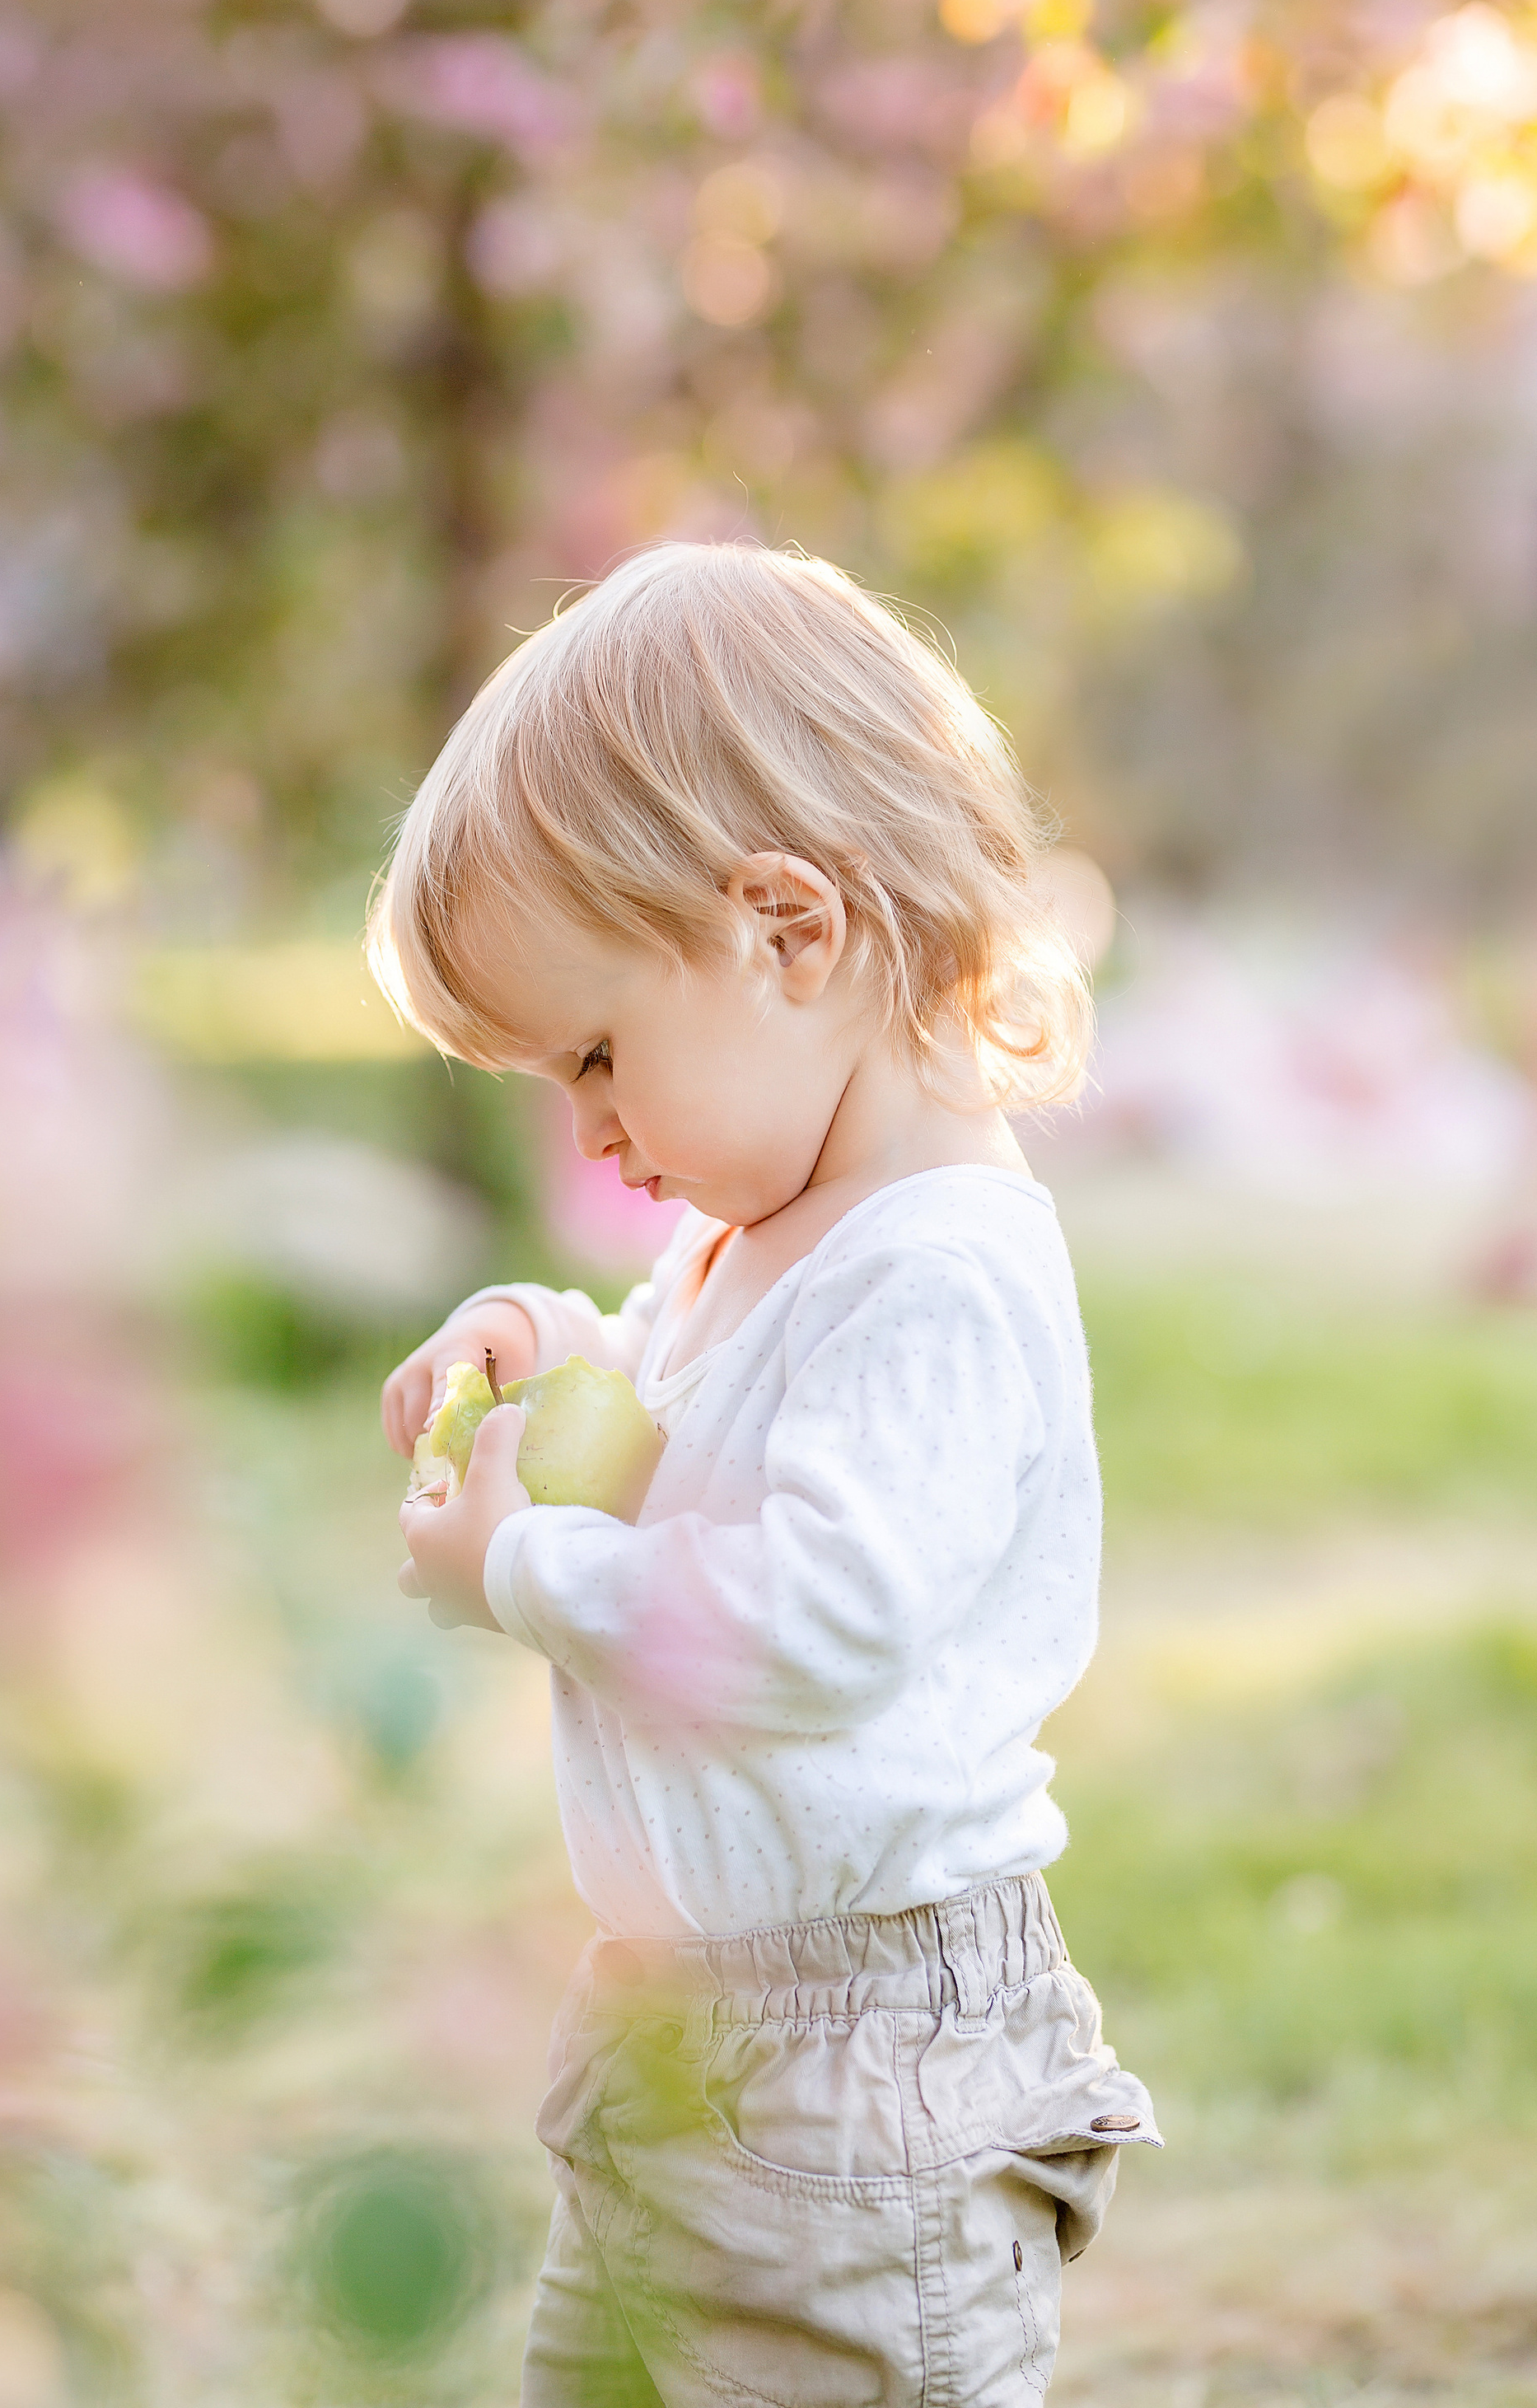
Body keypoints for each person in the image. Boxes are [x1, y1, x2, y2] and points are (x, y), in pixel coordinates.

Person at [367, 541, 1158, 2406]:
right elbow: (663, 1454)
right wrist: (548, 1363)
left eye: (595, 1051)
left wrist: (521, 1575)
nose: (591, 1126)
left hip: (859, 2075)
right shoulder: (756, 1233)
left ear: (787, 930)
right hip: (693, 2035)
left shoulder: (936, 1272)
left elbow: (810, 1622)